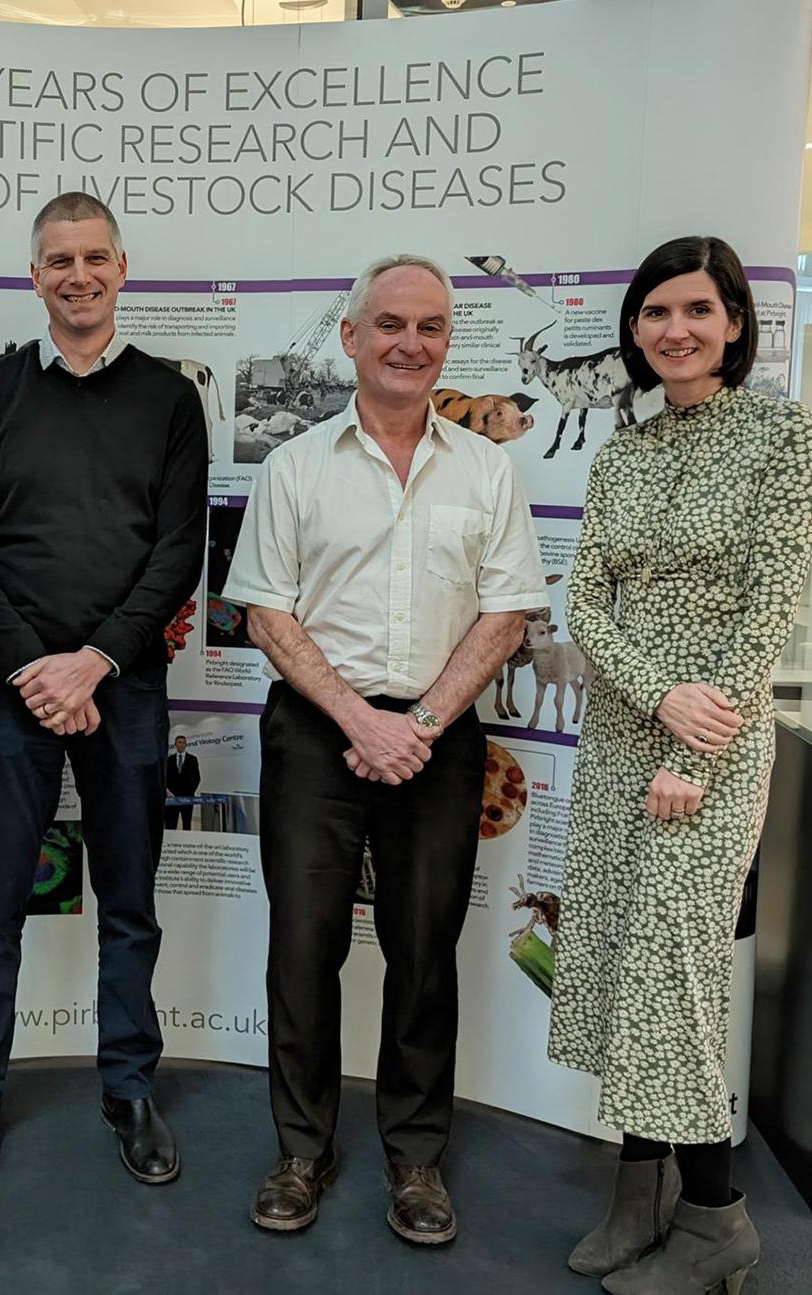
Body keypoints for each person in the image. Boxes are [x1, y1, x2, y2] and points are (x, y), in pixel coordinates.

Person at [223, 254, 547, 1245]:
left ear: (448, 343)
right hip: (320, 734)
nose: (412, 342)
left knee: (423, 951)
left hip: (438, 737)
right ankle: (301, 1148)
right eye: (392, 324)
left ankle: (414, 1156)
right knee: (303, 946)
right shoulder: (294, 465)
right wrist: (361, 721)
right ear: (353, 337)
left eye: (432, 327)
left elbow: (506, 613)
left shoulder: (487, 469)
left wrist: (420, 721)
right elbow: (265, 611)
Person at [547, 235, 812, 1294]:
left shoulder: (783, 438)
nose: (675, 329)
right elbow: (586, 602)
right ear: (635, 329)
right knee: (624, 951)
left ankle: (716, 1219)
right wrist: (651, 693)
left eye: (697, 310)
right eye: (656, 311)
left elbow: (770, 607)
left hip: (716, 742)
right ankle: (639, 1188)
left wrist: (689, 737)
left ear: (737, 323)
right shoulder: (624, 449)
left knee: (672, 963)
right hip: (623, 732)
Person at [0, 191, 207, 1193]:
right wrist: (36, 669)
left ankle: (130, 1086)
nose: (79, 274)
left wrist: (93, 662)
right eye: (60, 259)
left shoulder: (171, 399)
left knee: (129, 898)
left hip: (124, 686)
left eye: (96, 257)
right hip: (10, 689)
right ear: (35, 275)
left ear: (123, 269)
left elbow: (179, 549)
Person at [164, 735, 202, 829]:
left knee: (187, 823)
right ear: (175, 745)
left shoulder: (193, 759)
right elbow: (165, 778)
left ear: (186, 745)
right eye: (179, 742)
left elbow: (197, 778)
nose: (181, 745)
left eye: (183, 743)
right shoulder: (169, 760)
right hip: (172, 798)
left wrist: (190, 792)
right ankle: (171, 842)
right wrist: (168, 792)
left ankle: (186, 842)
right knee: (171, 823)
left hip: (187, 797)